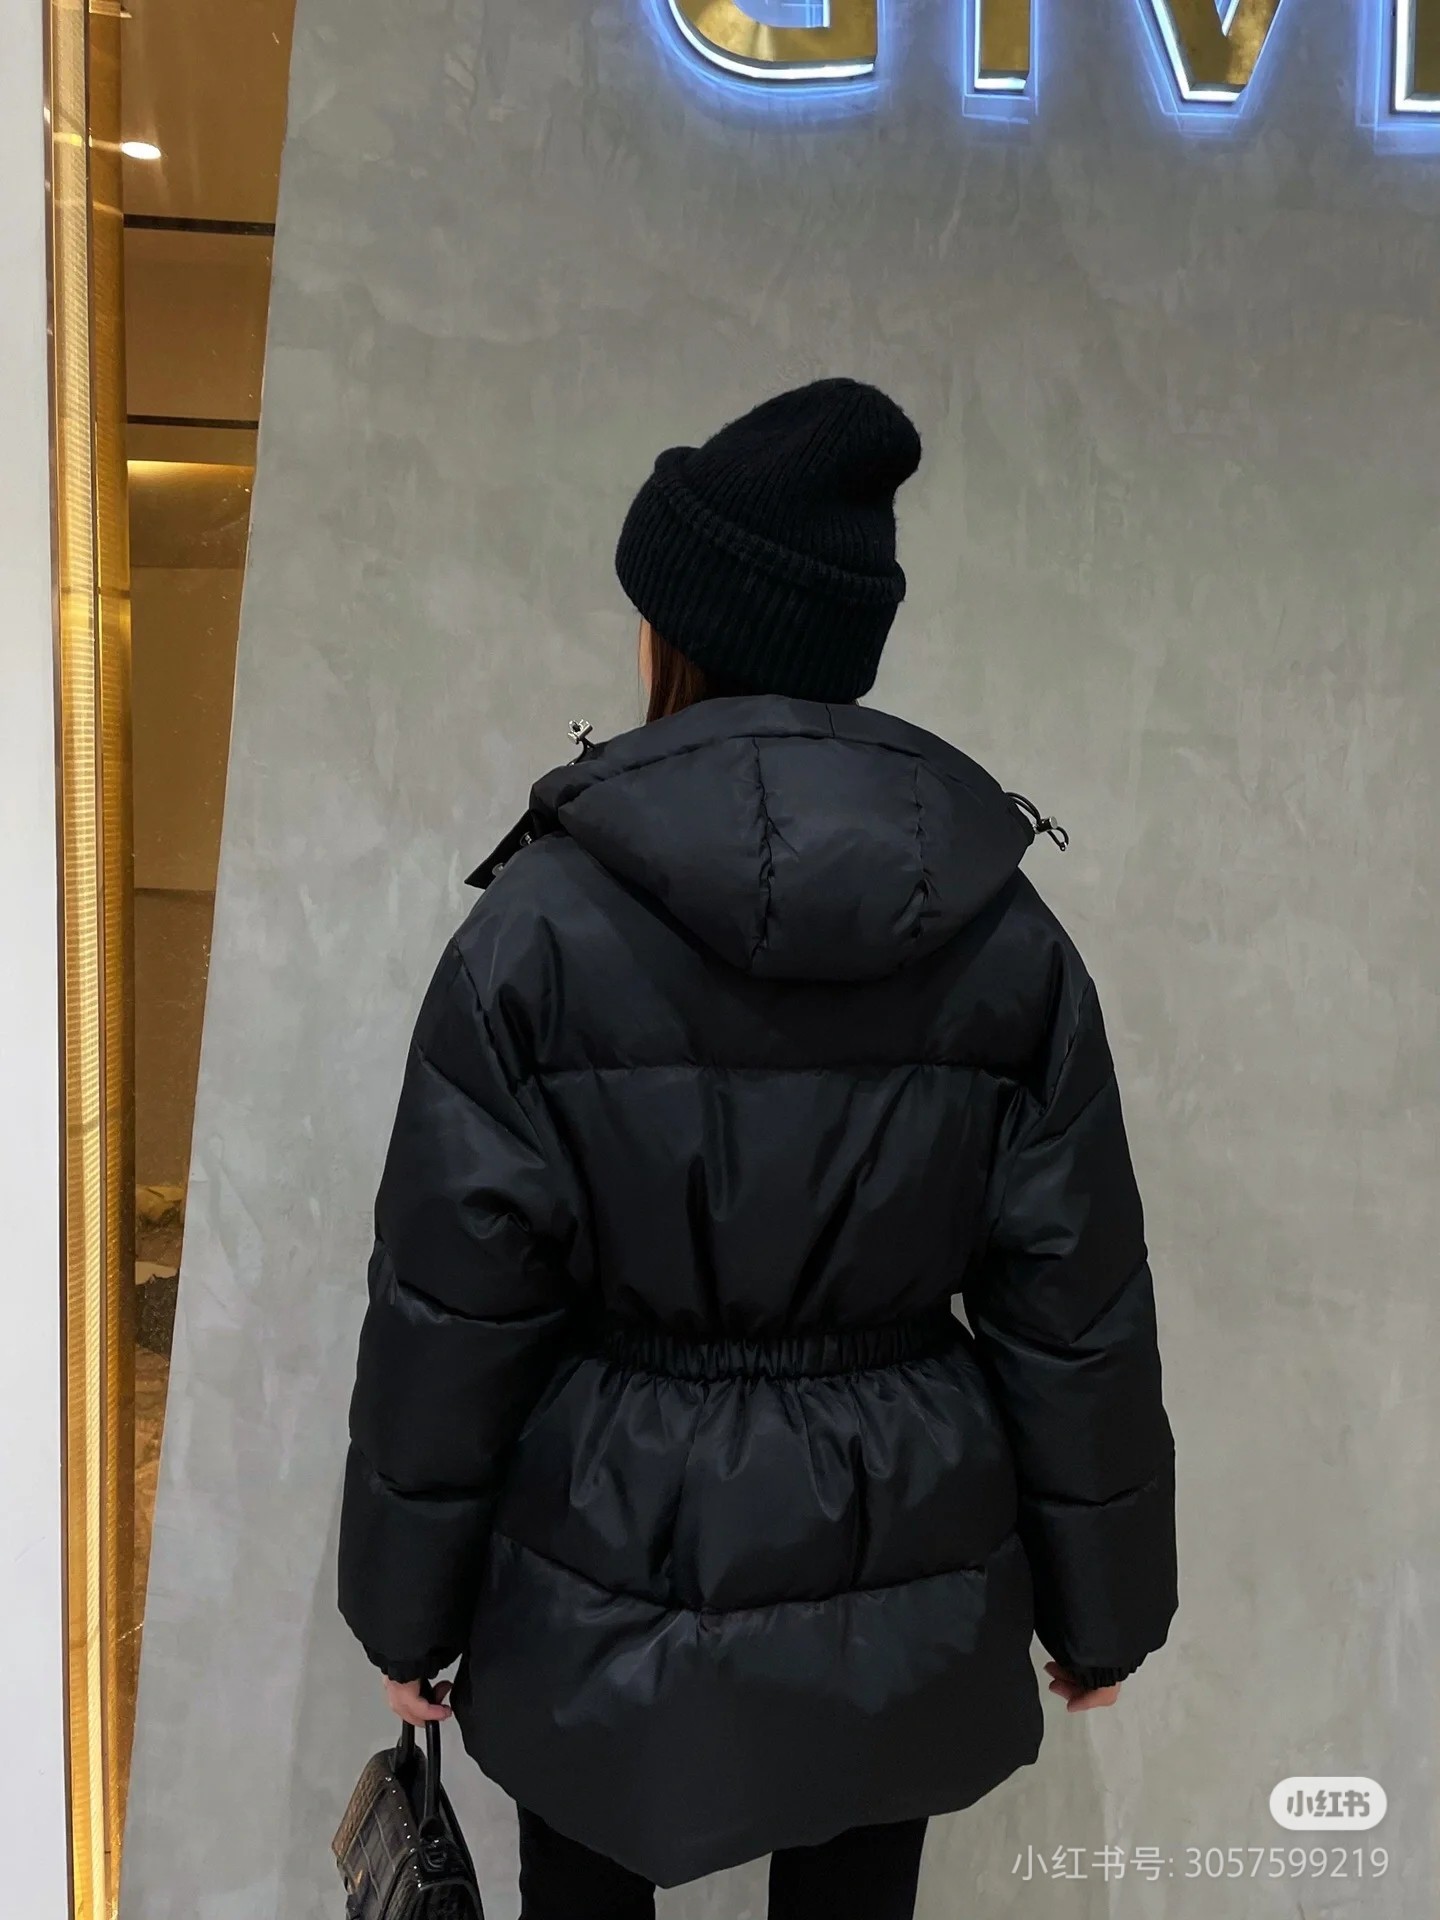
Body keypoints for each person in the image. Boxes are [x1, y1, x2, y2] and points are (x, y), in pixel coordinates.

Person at [337, 378, 1178, 1918]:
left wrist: (407, 1611)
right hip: (899, 1555)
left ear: (675, 638)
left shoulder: (540, 928)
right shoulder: (1003, 936)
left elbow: (455, 1308)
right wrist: (1104, 1609)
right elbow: (1075, 1304)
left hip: (601, 1556)